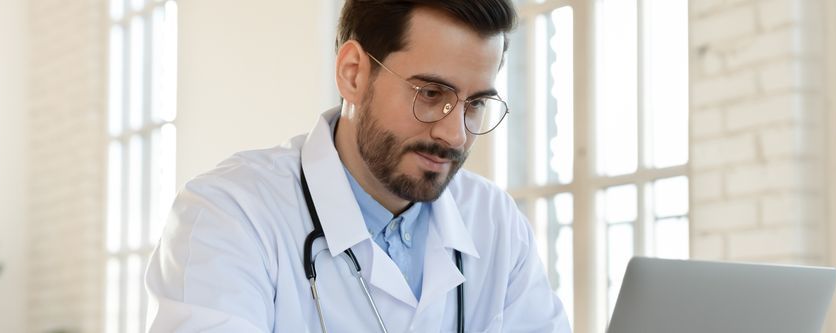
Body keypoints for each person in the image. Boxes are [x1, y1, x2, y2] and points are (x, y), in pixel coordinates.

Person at [144, 0, 571, 332]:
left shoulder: (496, 222)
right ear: (353, 74)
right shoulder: (229, 214)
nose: (454, 135)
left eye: (475, 104)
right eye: (430, 94)